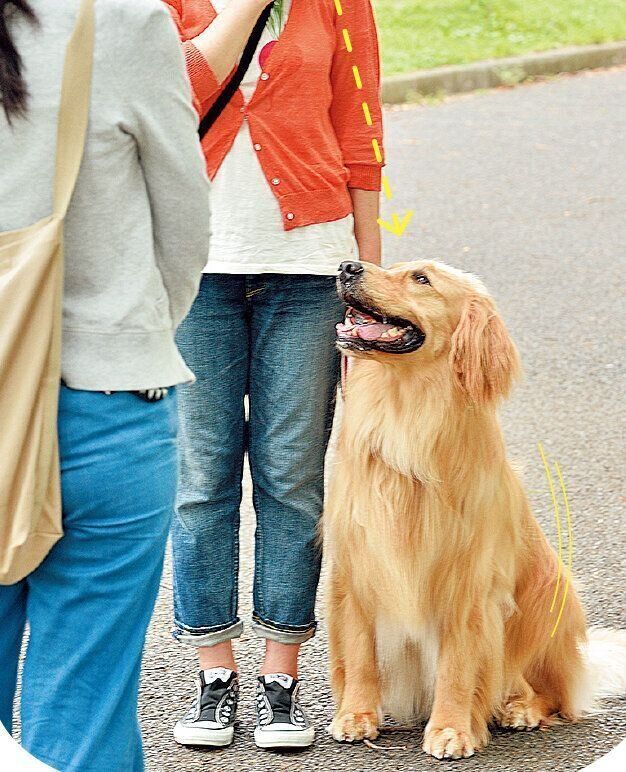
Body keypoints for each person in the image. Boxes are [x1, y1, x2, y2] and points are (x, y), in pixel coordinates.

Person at [163, 0, 384, 750]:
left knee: (293, 477)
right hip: (194, 271)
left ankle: (281, 678)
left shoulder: (339, 4)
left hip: (310, 271)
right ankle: (214, 675)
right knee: (202, 478)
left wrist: (370, 286)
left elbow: (360, 131)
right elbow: (178, 90)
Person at [0, 1, 210, 769]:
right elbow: (183, 220)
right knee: (83, 707)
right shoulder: (116, 20)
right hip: (101, 399)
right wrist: (136, 334)